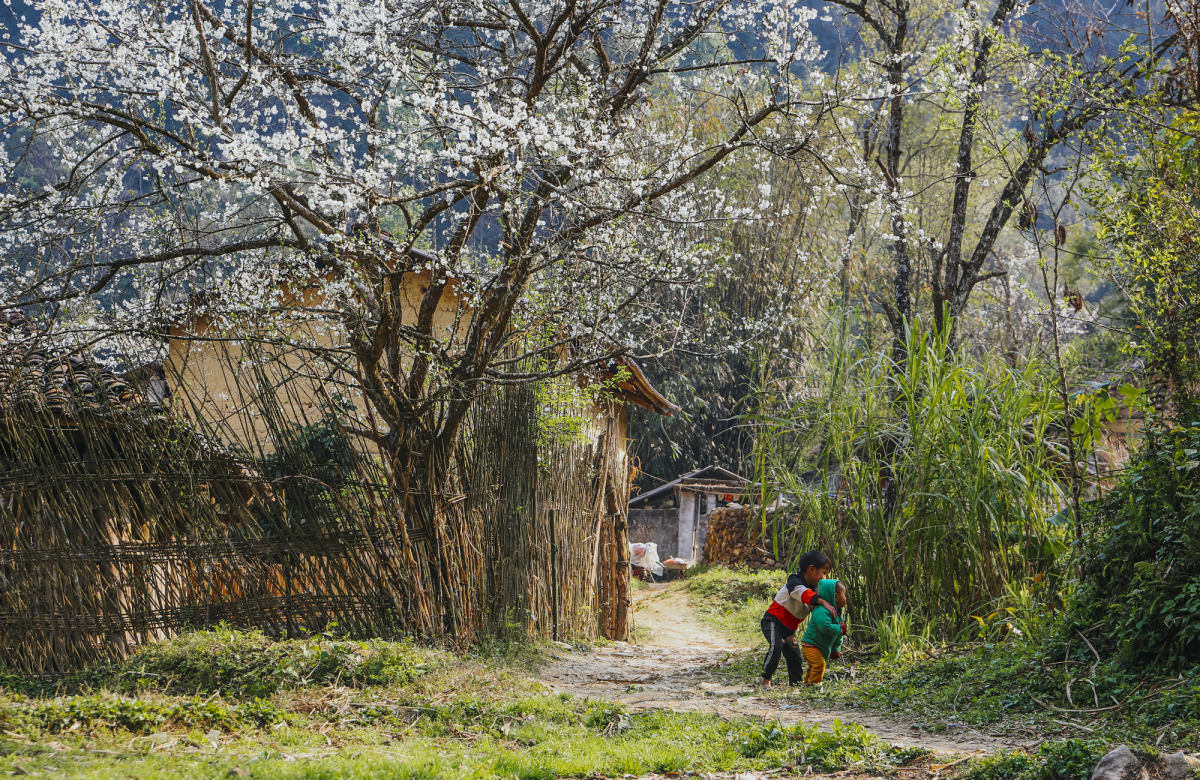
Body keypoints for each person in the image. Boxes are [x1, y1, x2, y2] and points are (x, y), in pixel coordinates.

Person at [759, 550, 837, 688]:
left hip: (790, 629)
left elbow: (820, 604)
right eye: (823, 573)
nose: (824, 578)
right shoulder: (794, 582)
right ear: (811, 569)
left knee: (795, 657)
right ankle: (766, 680)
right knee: (776, 646)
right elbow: (803, 594)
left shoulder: (816, 589)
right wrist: (823, 602)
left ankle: (795, 684)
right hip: (774, 621)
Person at [800, 578, 848, 685]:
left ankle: (808, 684)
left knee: (814, 666)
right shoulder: (821, 610)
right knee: (818, 665)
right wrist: (840, 628)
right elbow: (825, 628)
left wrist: (836, 649)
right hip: (811, 645)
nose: (846, 598)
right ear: (835, 596)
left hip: (819, 646)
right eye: (844, 595)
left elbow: (838, 635)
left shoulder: (838, 613)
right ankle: (814, 685)